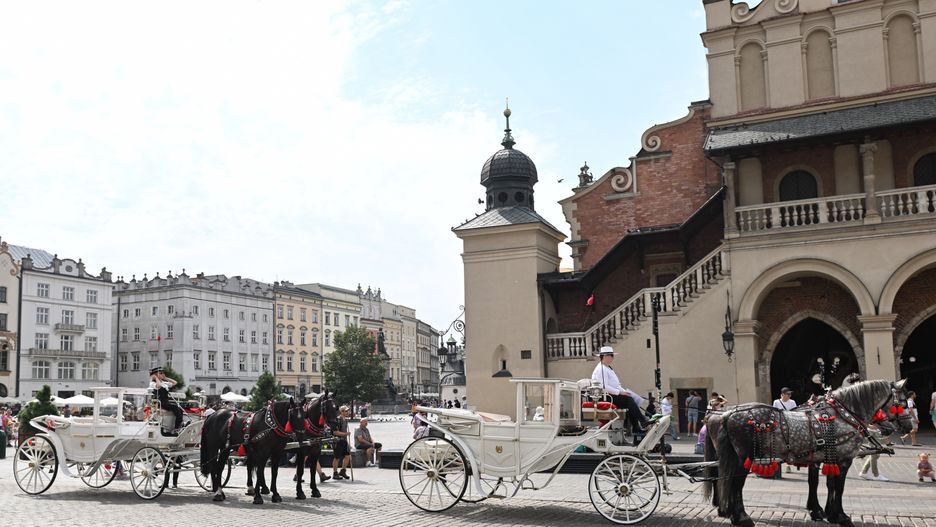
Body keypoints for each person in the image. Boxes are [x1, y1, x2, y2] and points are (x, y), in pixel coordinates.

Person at [591, 346, 650, 432]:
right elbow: (604, 386)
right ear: (604, 356)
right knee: (628, 400)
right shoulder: (601, 369)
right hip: (606, 397)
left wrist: (624, 391)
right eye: (611, 355)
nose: (612, 357)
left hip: (612, 395)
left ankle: (636, 426)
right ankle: (642, 421)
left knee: (630, 399)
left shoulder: (608, 368)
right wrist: (620, 393)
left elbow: (616, 385)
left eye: (612, 355)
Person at [149, 366, 183, 434]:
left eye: (162, 373)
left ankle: (179, 425)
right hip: (161, 403)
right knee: (175, 407)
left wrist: (165, 378)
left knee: (180, 409)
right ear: (155, 374)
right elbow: (158, 386)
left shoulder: (164, 383)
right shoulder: (153, 383)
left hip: (166, 402)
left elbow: (175, 382)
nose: (162, 374)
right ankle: (176, 428)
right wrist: (155, 377)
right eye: (160, 373)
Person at [773, 387, 797, 475]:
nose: (789, 395)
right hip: (780, 425)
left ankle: (788, 464)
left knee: (790, 444)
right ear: (782, 394)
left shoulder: (792, 402)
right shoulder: (776, 402)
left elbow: (795, 413)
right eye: (788, 394)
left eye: (790, 394)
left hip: (790, 425)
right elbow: (774, 413)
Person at [332, 405, 352, 480]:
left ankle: (343, 471)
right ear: (342, 412)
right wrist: (345, 434)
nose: (348, 412)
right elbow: (335, 432)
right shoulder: (337, 420)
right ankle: (335, 473)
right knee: (337, 458)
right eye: (346, 411)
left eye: (348, 411)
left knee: (347, 456)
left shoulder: (346, 420)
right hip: (337, 441)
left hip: (344, 441)